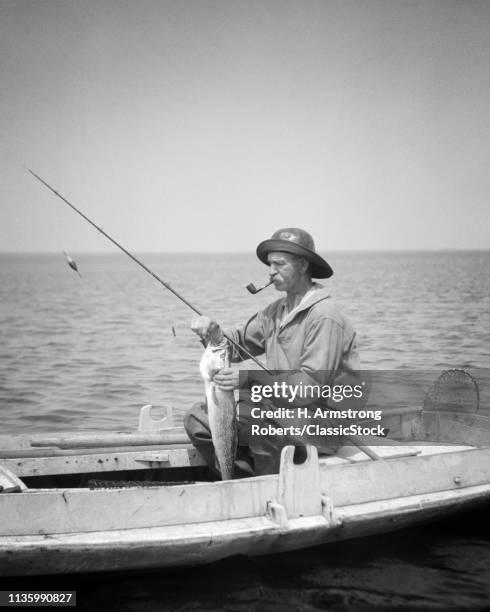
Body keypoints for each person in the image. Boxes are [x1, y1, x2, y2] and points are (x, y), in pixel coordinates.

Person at [185, 228, 360, 476]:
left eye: (279, 264)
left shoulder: (325, 316)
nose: (271, 271)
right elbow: (236, 345)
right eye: (270, 264)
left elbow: (309, 387)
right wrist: (213, 333)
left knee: (263, 426)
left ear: (302, 265)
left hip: (325, 422)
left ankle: (267, 490)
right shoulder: (275, 311)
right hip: (282, 409)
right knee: (197, 420)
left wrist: (249, 379)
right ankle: (239, 479)